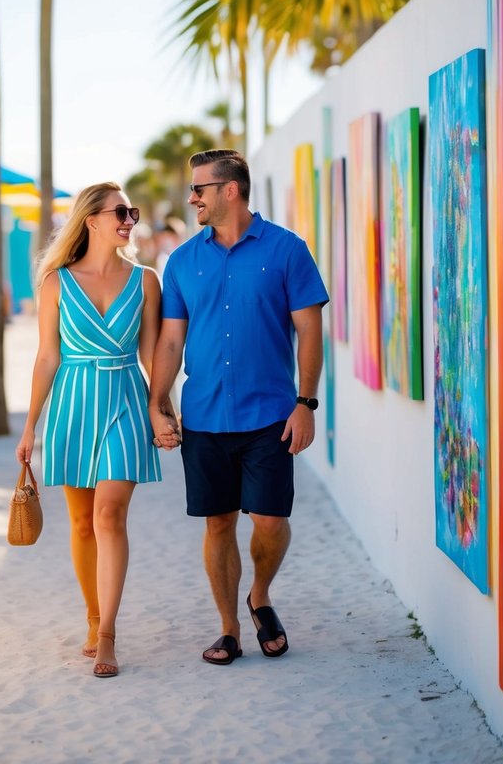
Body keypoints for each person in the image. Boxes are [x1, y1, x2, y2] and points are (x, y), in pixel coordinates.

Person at [149, 149, 328, 666]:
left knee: (270, 521)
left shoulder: (288, 250)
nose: (192, 198)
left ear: (230, 190)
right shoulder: (183, 261)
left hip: (271, 415)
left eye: (199, 188)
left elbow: (310, 332)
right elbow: (169, 343)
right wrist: (157, 403)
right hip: (204, 417)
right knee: (219, 523)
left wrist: (306, 403)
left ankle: (261, 594)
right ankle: (229, 627)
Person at [16, 182, 163, 679]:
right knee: (81, 524)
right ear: (91, 220)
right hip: (71, 407)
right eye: (120, 211)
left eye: (132, 211)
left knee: (109, 515)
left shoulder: (146, 281)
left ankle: (107, 636)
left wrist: (161, 407)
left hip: (124, 399)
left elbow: (150, 354)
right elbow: (46, 357)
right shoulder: (56, 282)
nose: (129, 219)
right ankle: (92, 615)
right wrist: (29, 427)